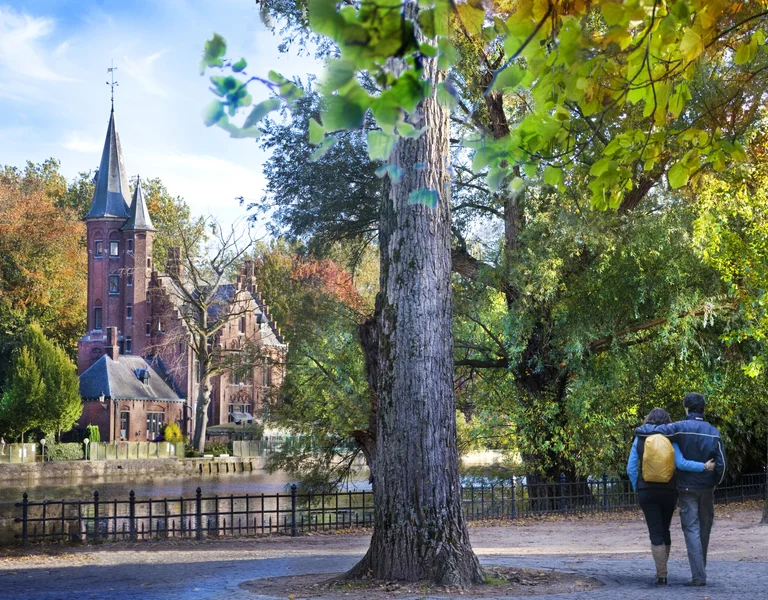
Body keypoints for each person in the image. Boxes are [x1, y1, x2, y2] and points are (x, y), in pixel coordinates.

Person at [643, 393, 727, 587]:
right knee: (704, 530)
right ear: (703, 409)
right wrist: (715, 482)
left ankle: (699, 576)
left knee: (691, 530)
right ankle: (700, 571)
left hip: (687, 487)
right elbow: (722, 463)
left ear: (686, 408)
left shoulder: (679, 428)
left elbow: (656, 430)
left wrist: (640, 429)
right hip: (707, 488)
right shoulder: (713, 432)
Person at [627, 408, 714, 586]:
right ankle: (663, 570)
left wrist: (639, 488)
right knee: (665, 529)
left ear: (648, 419)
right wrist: (703, 467)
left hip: (647, 491)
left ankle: (662, 575)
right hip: (668, 491)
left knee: (655, 531)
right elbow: (681, 463)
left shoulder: (640, 438)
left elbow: (631, 468)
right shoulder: (670, 437)